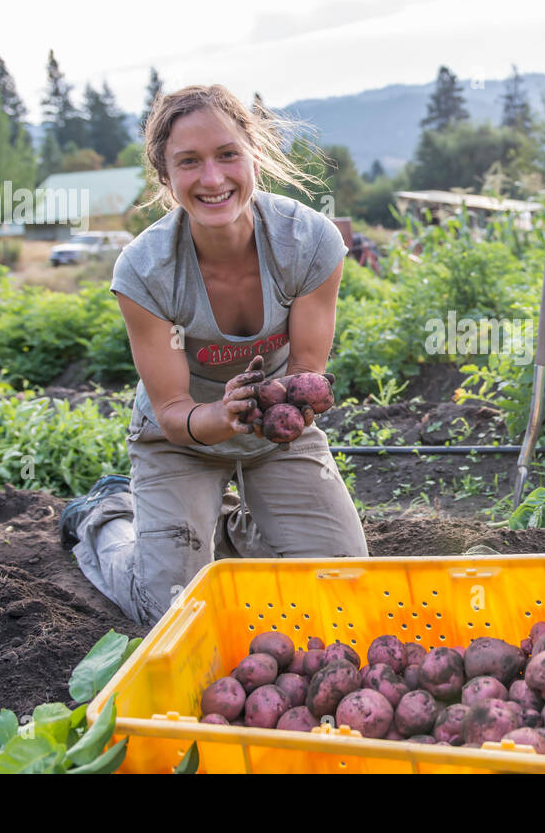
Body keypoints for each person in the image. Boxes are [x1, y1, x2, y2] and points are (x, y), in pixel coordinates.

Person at [62, 84, 367, 627]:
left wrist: (274, 409)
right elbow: (174, 411)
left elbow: (305, 375)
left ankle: (222, 529)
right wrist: (221, 416)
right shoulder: (145, 271)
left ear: (254, 153)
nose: (212, 178)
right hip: (181, 442)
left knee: (342, 586)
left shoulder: (308, 242)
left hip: (276, 435)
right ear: (165, 175)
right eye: (189, 162)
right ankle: (106, 518)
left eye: (227, 154)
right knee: (170, 611)